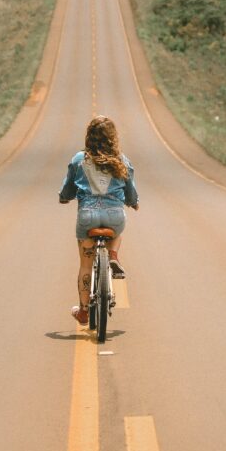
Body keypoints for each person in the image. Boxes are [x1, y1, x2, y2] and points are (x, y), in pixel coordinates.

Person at [59, 115, 139, 325]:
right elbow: (131, 192)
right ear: (113, 138)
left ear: (89, 137)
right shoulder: (122, 160)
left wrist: (64, 198)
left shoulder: (79, 160)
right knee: (118, 230)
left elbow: (67, 190)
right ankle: (113, 254)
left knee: (86, 265)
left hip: (88, 217)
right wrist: (133, 202)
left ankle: (84, 311)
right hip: (114, 217)